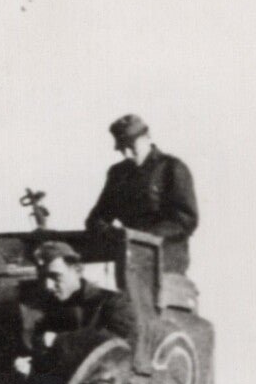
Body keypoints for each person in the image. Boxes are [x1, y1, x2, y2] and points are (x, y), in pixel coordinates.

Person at [14, 240, 141, 384]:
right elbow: (45, 357)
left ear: (77, 271)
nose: (48, 286)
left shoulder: (113, 302)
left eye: (55, 276)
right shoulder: (48, 309)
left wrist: (58, 340)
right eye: (43, 277)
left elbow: (118, 342)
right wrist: (32, 368)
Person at [84, 114, 198, 273]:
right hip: (129, 264)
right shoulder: (118, 174)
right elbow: (96, 218)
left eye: (131, 146)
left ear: (147, 138)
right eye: (122, 148)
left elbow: (185, 221)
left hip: (165, 265)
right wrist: (111, 233)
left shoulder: (171, 168)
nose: (127, 154)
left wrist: (138, 236)